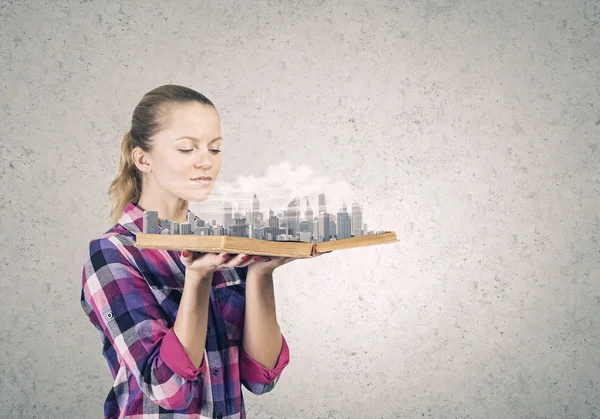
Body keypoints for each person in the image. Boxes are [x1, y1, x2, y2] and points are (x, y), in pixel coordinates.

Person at [80, 85, 299, 418]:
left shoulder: (223, 244)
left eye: (215, 149)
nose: (206, 162)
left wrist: (260, 272)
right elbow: (167, 388)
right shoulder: (113, 253)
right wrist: (197, 278)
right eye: (186, 149)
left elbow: (261, 378)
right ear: (143, 158)